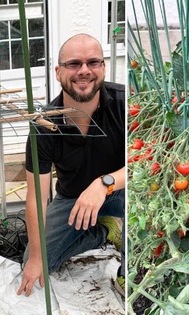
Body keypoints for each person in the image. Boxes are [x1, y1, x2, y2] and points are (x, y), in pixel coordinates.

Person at [17, 33, 126, 298]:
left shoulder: (124, 103)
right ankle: (103, 232)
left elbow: (143, 163)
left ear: (103, 67)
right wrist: (35, 257)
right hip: (72, 199)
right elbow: (37, 198)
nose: (84, 71)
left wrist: (104, 184)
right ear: (58, 72)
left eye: (93, 62)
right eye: (74, 64)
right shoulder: (44, 126)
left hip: (121, 192)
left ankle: (127, 263)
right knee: (37, 260)